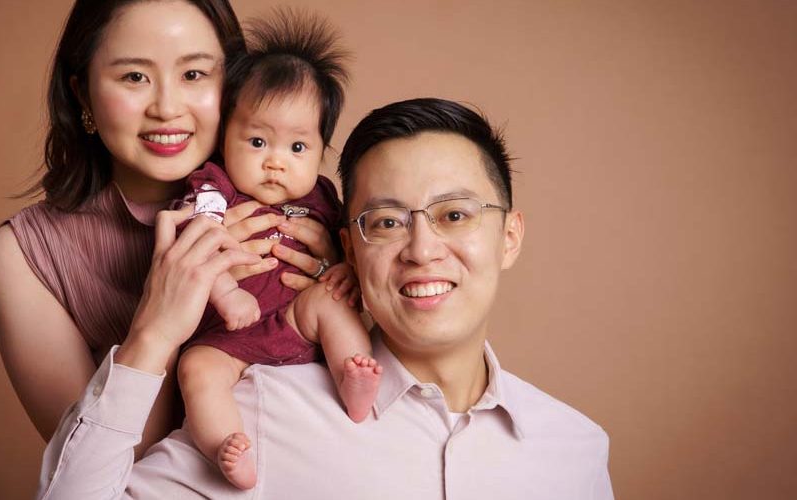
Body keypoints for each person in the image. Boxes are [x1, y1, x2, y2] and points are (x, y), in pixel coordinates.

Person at [35, 98, 615, 499]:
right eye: (386, 223)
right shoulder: (260, 410)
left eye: (455, 215)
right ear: (349, 248)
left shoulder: (575, 449)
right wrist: (151, 338)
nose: (421, 249)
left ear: (509, 236)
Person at [0, 0, 339, 457]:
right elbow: (104, 469)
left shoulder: (304, 195)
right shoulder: (24, 255)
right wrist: (159, 327)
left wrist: (340, 277)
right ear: (83, 95)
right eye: (134, 77)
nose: (167, 108)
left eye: (193, 75)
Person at [173, 11, 380, 489]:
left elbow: (355, 253)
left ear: (322, 149)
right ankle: (225, 445)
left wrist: (343, 269)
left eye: (298, 148)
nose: (275, 162)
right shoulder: (213, 187)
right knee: (196, 368)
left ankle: (354, 377)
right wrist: (226, 293)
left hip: (294, 324)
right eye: (259, 140)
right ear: (225, 136)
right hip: (229, 335)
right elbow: (196, 242)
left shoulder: (324, 200)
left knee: (330, 301)